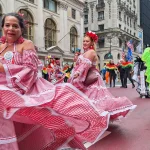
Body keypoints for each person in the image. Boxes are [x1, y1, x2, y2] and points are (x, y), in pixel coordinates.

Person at [0, 13, 113, 150]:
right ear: (2, 27)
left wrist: (77, 73)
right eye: (7, 25)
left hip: (22, 92)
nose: (10, 29)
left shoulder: (26, 44)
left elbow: (30, 70)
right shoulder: (1, 47)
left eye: (15, 26)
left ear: (21, 29)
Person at [69, 31, 136, 121]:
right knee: (90, 101)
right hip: (86, 78)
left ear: (92, 42)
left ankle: (95, 119)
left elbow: (84, 66)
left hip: (92, 80)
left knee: (94, 102)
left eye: (87, 41)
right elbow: (79, 64)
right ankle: (90, 119)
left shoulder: (91, 52)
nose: (85, 43)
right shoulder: (84, 53)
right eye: (84, 41)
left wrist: (78, 73)